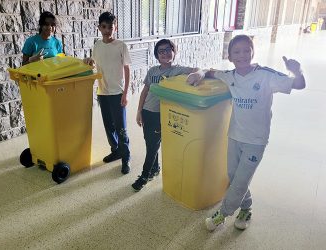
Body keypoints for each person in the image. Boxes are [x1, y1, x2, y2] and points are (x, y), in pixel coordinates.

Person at [188, 35, 306, 231]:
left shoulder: (266, 75)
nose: (242, 55)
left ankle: (222, 214)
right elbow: (210, 72)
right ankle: (246, 207)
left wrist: (298, 71)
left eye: (246, 50)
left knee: (240, 181)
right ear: (230, 56)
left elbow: (298, 84)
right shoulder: (230, 76)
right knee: (234, 177)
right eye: (237, 51)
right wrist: (199, 73)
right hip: (234, 136)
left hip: (256, 140)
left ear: (253, 52)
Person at [131, 39, 205, 191]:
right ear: (157, 55)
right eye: (161, 51)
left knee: (153, 145)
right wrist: (139, 111)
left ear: (174, 51)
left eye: (167, 49)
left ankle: (145, 175)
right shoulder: (152, 71)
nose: (165, 53)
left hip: (162, 113)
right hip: (147, 111)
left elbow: (197, 69)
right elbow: (145, 91)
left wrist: (199, 73)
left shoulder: (177, 70)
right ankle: (155, 168)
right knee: (150, 142)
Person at [83, 12, 132, 174]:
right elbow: (95, 64)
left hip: (117, 93)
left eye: (110, 27)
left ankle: (126, 157)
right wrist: (89, 61)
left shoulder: (121, 46)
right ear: (99, 28)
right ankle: (116, 150)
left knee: (121, 128)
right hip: (102, 93)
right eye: (104, 27)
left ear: (115, 27)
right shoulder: (97, 45)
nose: (107, 30)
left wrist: (125, 94)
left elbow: (127, 70)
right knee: (108, 126)